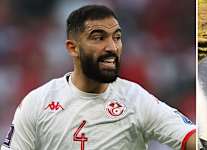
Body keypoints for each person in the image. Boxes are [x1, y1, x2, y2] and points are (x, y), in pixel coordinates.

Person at [1, 5, 196, 150]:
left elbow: (191, 137)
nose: (112, 47)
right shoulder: (38, 102)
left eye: (117, 37)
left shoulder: (135, 98)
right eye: (98, 38)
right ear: (73, 48)